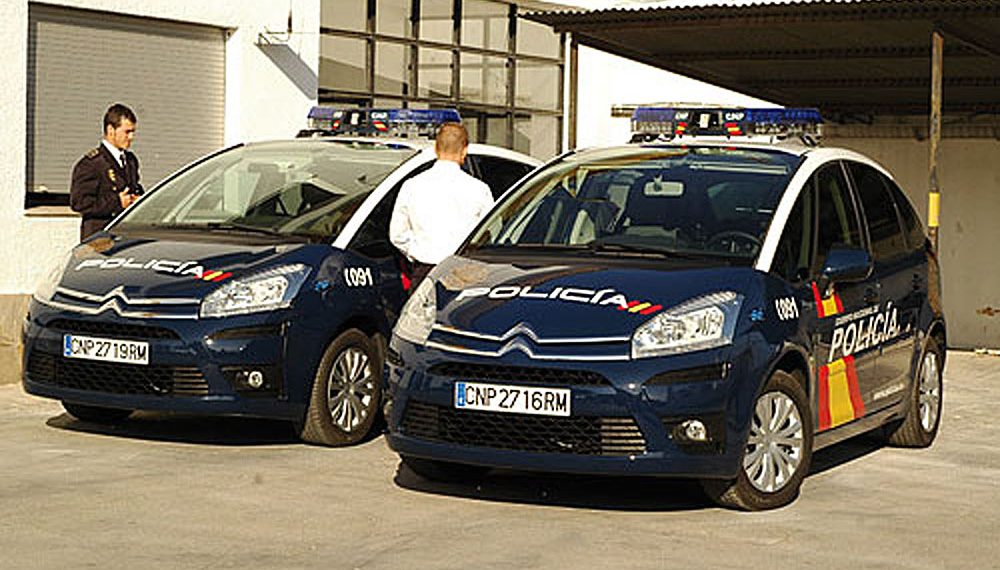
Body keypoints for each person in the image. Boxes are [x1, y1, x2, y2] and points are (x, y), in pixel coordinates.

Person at [390, 122, 493, 287]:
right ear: (465, 149)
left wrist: (416, 252)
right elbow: (490, 233)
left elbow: (397, 235)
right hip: (465, 272)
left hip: (425, 271)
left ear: (436, 148)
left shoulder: (412, 185)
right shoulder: (480, 189)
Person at [70, 103, 144, 241]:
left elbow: (135, 188)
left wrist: (137, 200)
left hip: (125, 237)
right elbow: (79, 202)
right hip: (99, 239)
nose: (131, 137)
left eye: (133, 132)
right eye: (127, 132)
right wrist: (117, 202)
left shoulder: (131, 160)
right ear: (111, 130)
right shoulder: (91, 164)